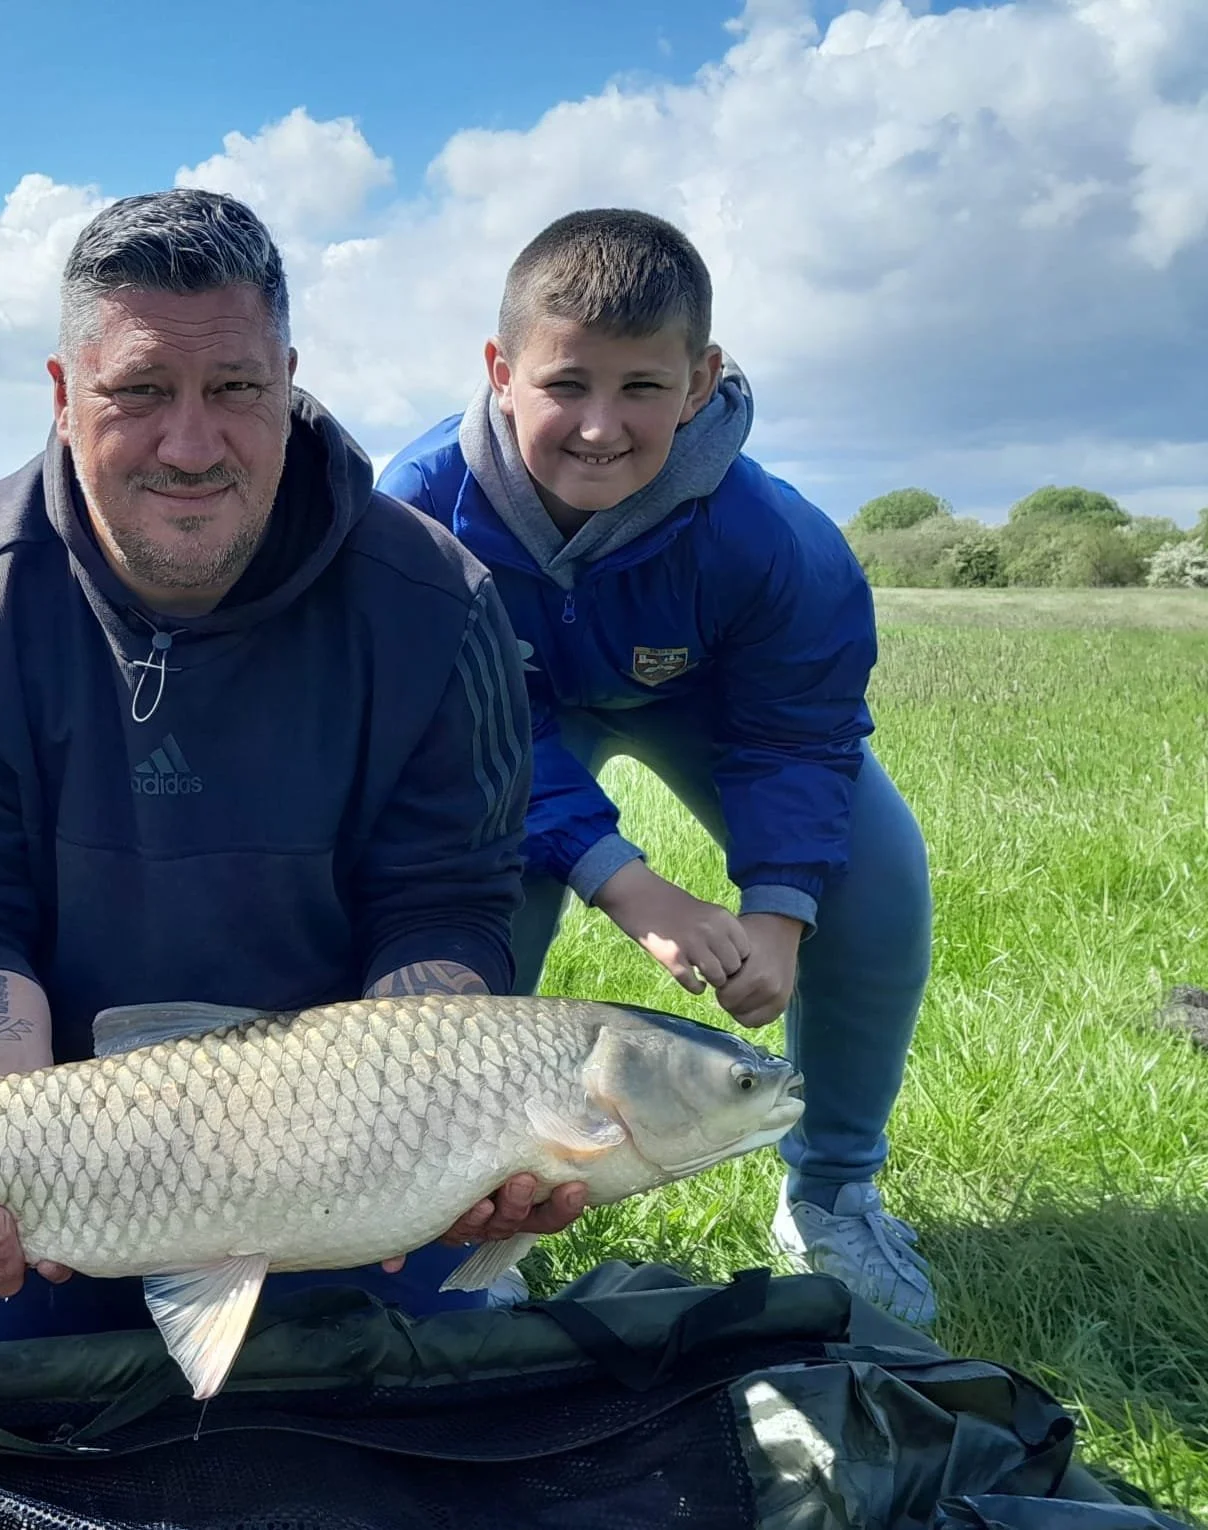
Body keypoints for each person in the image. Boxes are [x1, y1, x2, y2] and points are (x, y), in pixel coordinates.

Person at [0, 188, 585, 1351]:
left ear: (287, 380)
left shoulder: (443, 605)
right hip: (56, 1167)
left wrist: (441, 1137)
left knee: (434, 1408)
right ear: (63, 392)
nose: (191, 445)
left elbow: (446, 904)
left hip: (351, 1183)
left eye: (236, 390)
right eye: (139, 391)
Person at [376, 209, 936, 1324]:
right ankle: (468, 1198)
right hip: (510, 724)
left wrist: (779, 913)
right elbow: (463, 730)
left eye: (642, 387)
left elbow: (797, 733)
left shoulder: (779, 538)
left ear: (701, 380)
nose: (598, 426)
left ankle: (832, 1190)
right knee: (476, 890)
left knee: (876, 885)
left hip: (708, 708)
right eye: (565, 383)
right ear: (499, 370)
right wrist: (622, 879)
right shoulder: (417, 507)